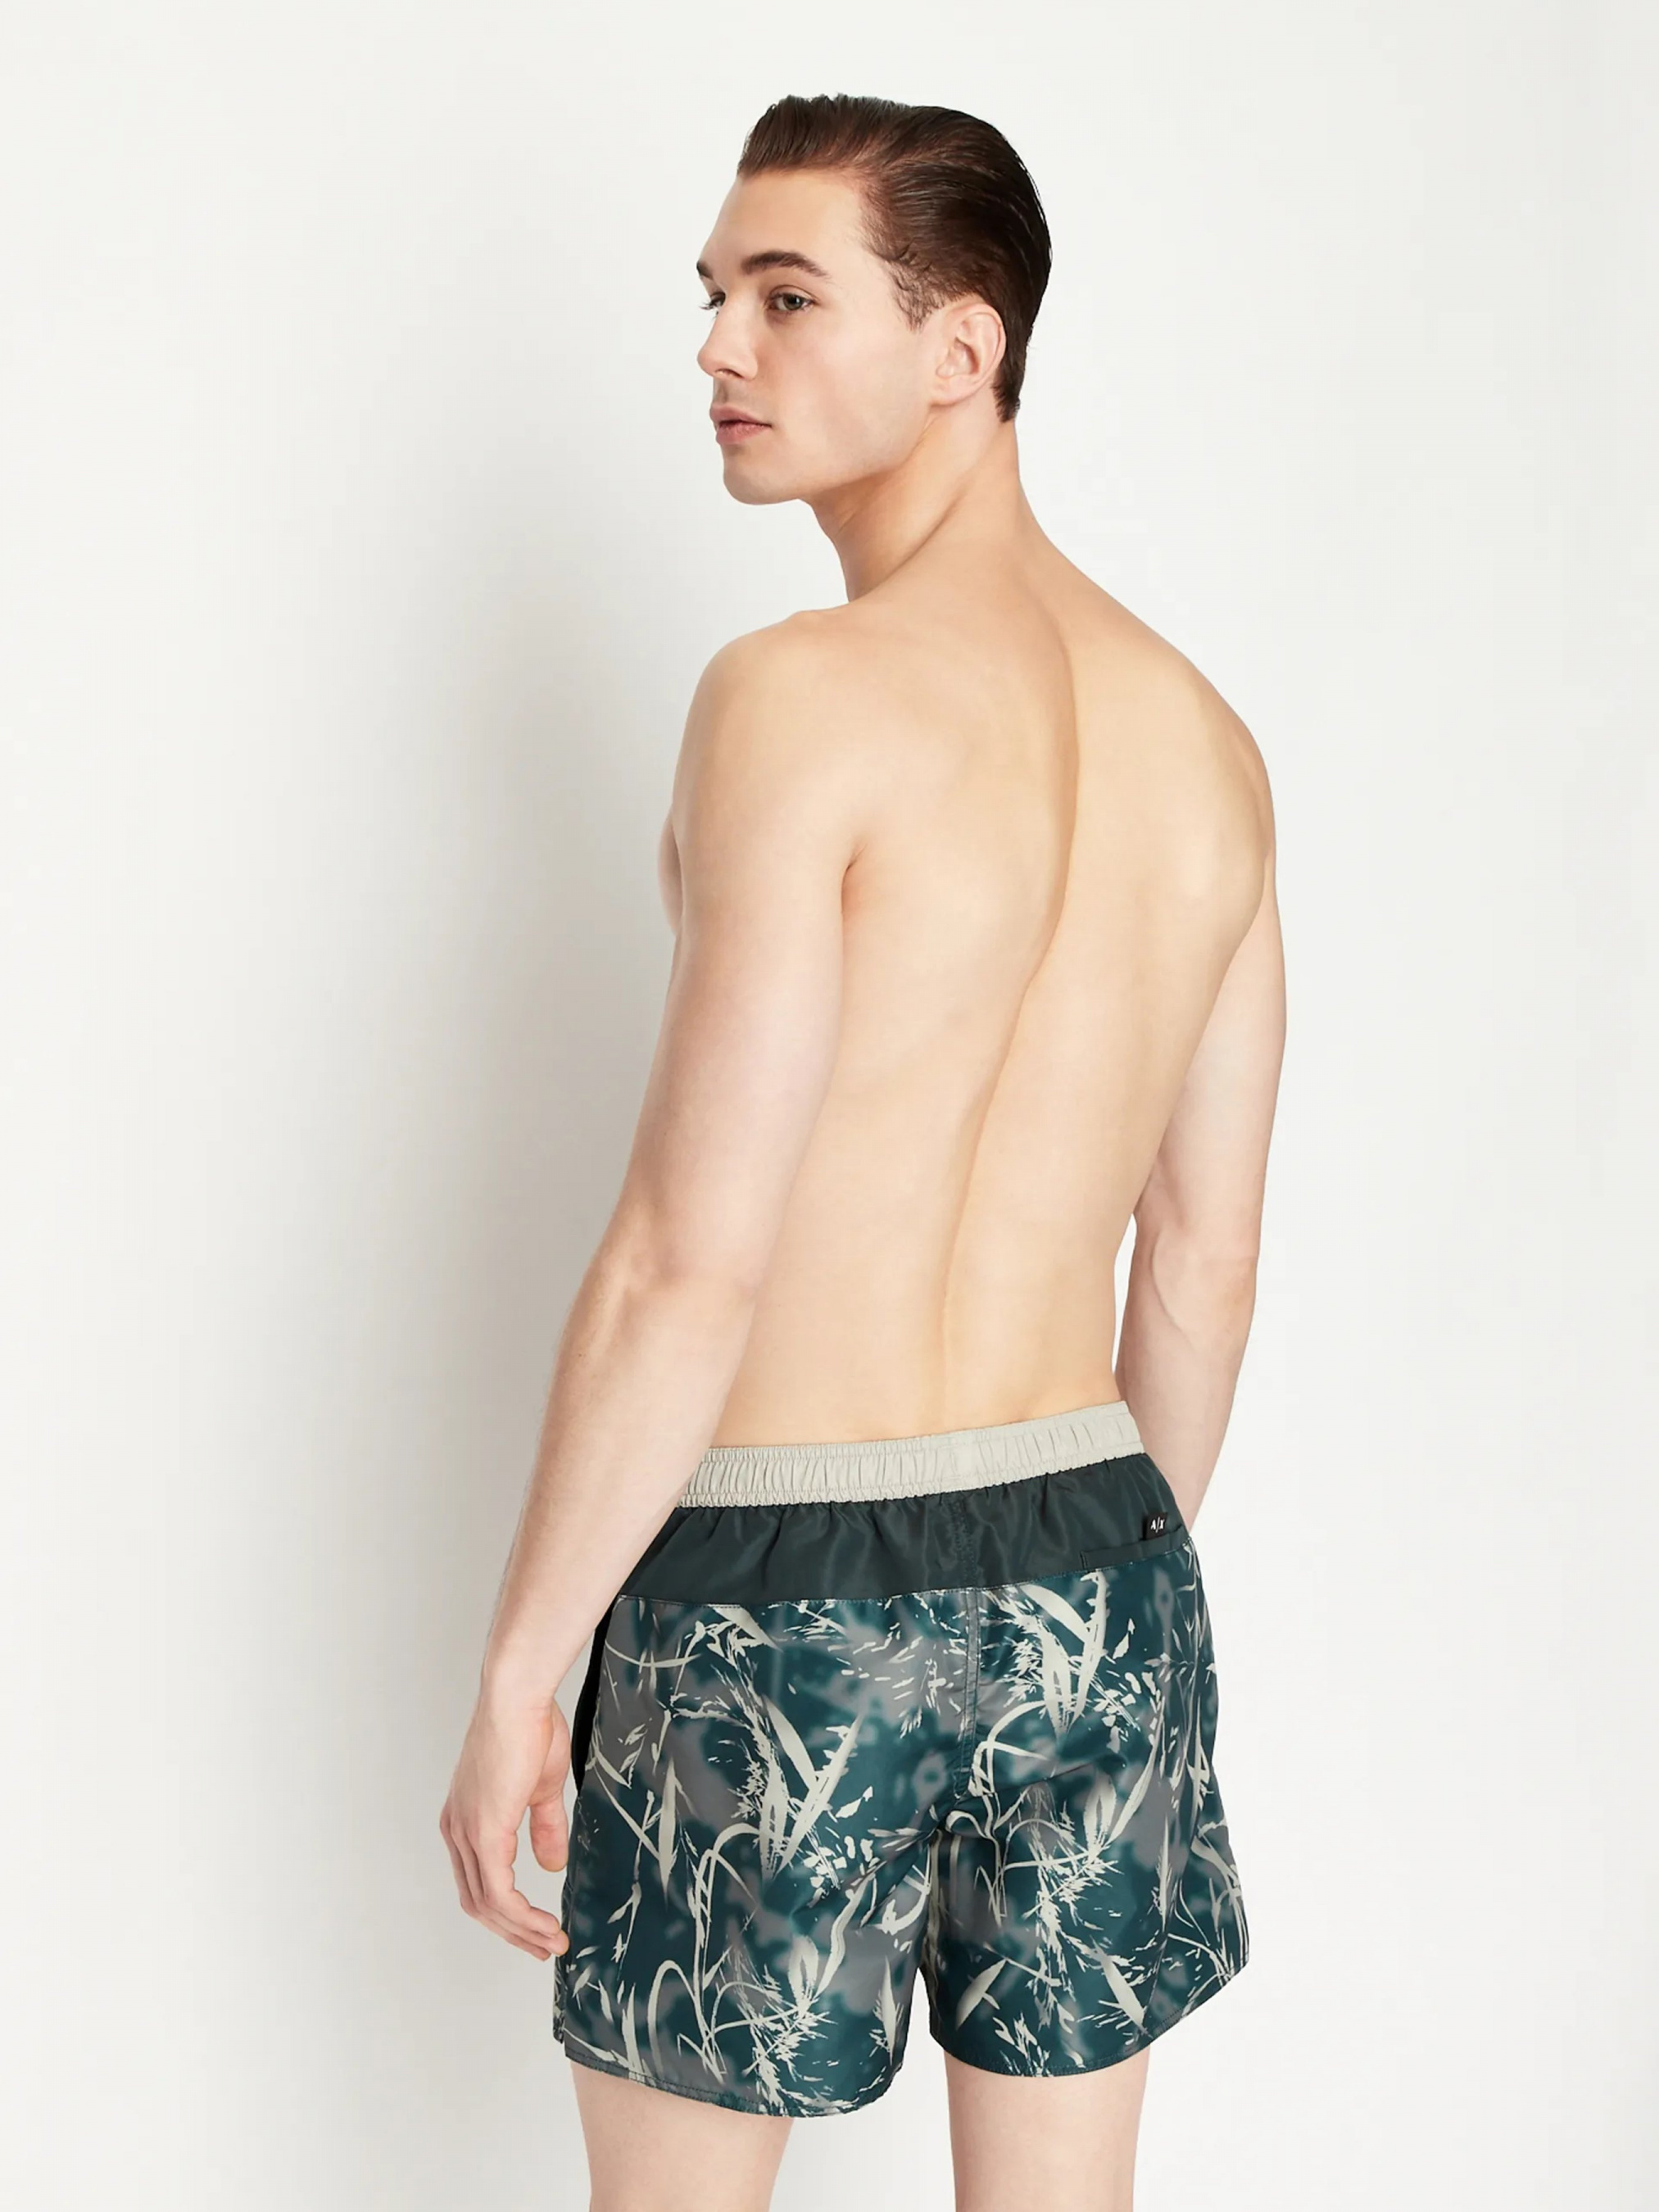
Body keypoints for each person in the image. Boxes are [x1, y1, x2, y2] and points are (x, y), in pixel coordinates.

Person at [441, 92, 1285, 2212]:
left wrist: (528, 1660)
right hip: (1099, 1556)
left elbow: (685, 1256)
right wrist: (1087, 1604)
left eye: (787, 296)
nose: (718, 347)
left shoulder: (795, 696)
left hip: (778, 1589)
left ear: (960, 346)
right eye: (714, 296)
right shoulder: (1206, 741)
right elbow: (1199, 1261)